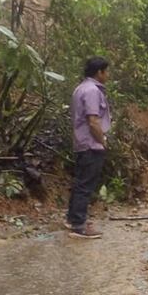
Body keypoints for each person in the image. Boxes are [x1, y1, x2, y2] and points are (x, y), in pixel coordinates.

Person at [65, 56, 112, 239]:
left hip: (81, 142)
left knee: (80, 183)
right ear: (99, 72)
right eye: (106, 71)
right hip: (91, 144)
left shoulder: (80, 88)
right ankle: (79, 225)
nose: (107, 75)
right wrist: (102, 141)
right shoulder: (92, 91)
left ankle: (72, 219)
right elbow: (93, 121)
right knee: (86, 185)